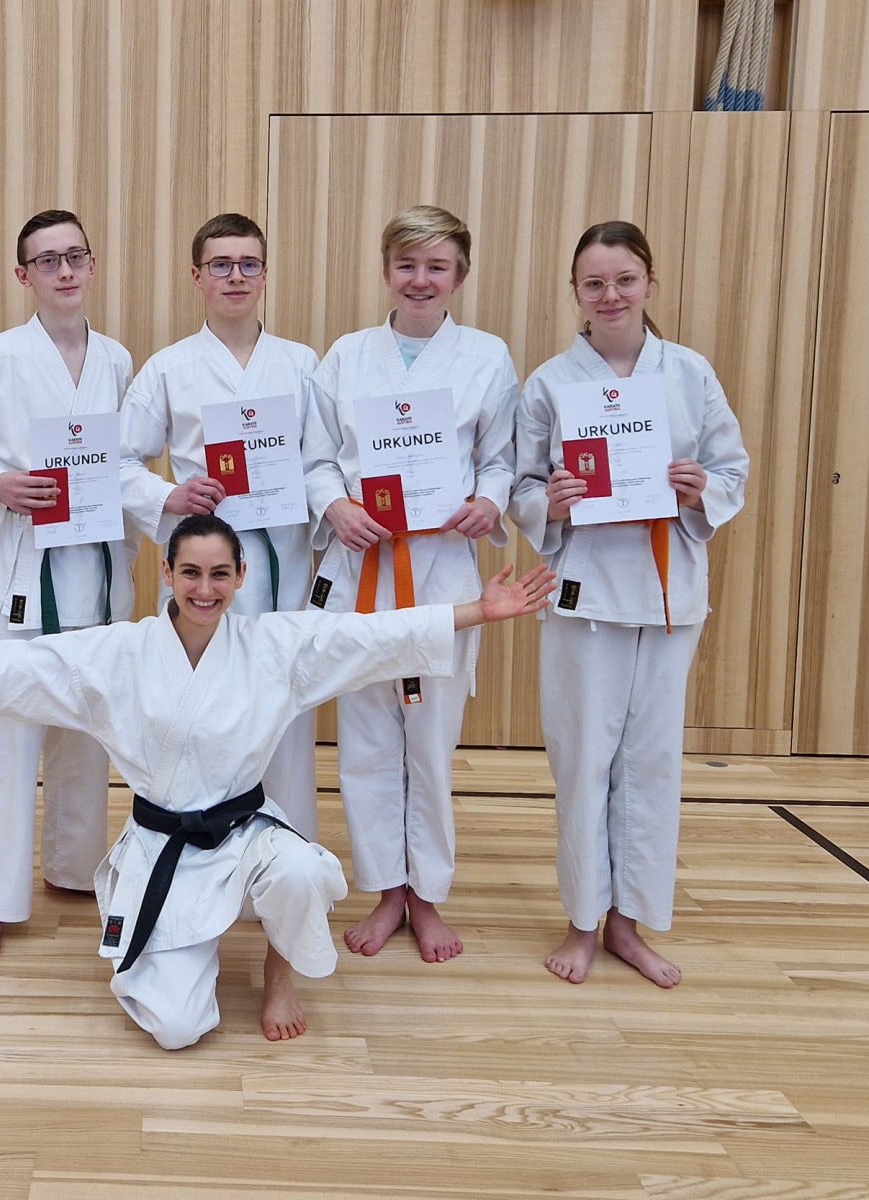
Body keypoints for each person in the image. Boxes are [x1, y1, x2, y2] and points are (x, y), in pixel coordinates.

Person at [0, 515, 557, 1048]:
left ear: (240, 577)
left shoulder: (276, 645)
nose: (204, 589)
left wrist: (478, 611)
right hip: (165, 848)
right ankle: (180, 948)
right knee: (178, 1027)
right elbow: (26, 667)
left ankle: (278, 975)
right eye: (190, 573)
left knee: (305, 870)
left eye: (219, 575)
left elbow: (371, 637)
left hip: (246, 836)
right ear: (167, 574)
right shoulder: (123, 652)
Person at [508, 220, 749, 987]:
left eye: (624, 280)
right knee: (584, 761)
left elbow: (732, 468)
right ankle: (583, 921)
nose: (610, 295)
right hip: (586, 594)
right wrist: (551, 501)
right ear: (576, 293)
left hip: (669, 592)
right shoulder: (550, 382)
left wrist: (699, 487)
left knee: (651, 764)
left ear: (649, 282)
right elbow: (521, 486)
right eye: (594, 283)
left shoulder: (690, 372)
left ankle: (628, 924)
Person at [300, 205, 518, 963]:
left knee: (429, 742)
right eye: (407, 265)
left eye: (436, 266)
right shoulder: (346, 356)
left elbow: (501, 458)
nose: (420, 280)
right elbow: (317, 457)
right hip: (364, 565)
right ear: (386, 271)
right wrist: (335, 505)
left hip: (440, 568)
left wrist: (489, 500)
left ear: (460, 275)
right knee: (365, 741)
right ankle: (386, 889)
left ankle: (427, 894)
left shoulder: (487, 356)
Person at [0, 209, 136, 962]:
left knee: (87, 737)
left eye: (75, 256)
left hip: (97, 572)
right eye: (47, 260)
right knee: (7, 741)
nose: (64, 270)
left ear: (92, 265)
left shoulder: (117, 359)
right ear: (23, 274)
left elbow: (125, 463)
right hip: (20, 575)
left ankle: (75, 869)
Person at [118, 213, 323, 839]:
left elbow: (323, 463)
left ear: (265, 274)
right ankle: (200, 857)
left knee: (286, 718)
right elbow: (119, 463)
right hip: (204, 578)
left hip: (283, 566)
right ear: (197, 276)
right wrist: (172, 494)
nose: (236, 276)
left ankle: (286, 860)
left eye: (248, 264)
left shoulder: (301, 364)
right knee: (202, 717)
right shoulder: (168, 368)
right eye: (221, 265)